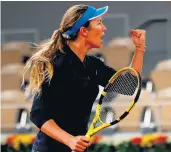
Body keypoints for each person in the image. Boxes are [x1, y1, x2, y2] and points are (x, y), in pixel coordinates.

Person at [23, 4, 146, 152]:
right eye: (99, 23)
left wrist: (139, 49)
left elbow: (129, 86)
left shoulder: (93, 65)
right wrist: (70, 140)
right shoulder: (56, 65)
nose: (104, 28)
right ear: (83, 31)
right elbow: (38, 114)